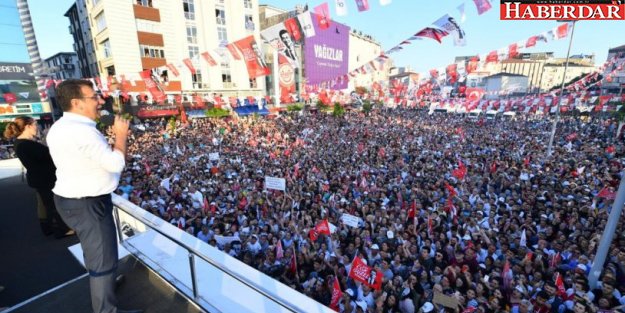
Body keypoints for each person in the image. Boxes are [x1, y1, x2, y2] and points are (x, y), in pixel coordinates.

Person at [46, 79, 140, 313]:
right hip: (88, 204)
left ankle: (105, 284)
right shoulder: (83, 132)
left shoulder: (59, 126)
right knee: (103, 262)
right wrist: (120, 135)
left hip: (71, 200)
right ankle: (106, 307)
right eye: (94, 97)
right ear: (76, 102)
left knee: (97, 253)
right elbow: (116, 163)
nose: (100, 101)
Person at [3, 116, 71, 238]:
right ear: (27, 126)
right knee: (52, 205)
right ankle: (61, 229)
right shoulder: (26, 145)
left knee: (47, 204)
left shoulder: (23, 143)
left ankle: (51, 228)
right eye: (35, 124)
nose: (37, 127)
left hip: (41, 179)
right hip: (45, 179)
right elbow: (48, 157)